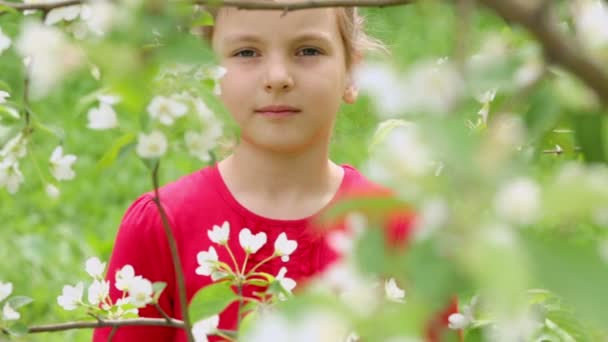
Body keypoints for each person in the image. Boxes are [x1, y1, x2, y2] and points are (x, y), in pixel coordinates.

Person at [94, 4, 457, 341]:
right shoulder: (162, 226)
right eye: (246, 52)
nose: (278, 77)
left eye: (308, 50)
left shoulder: (402, 231)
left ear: (353, 71)